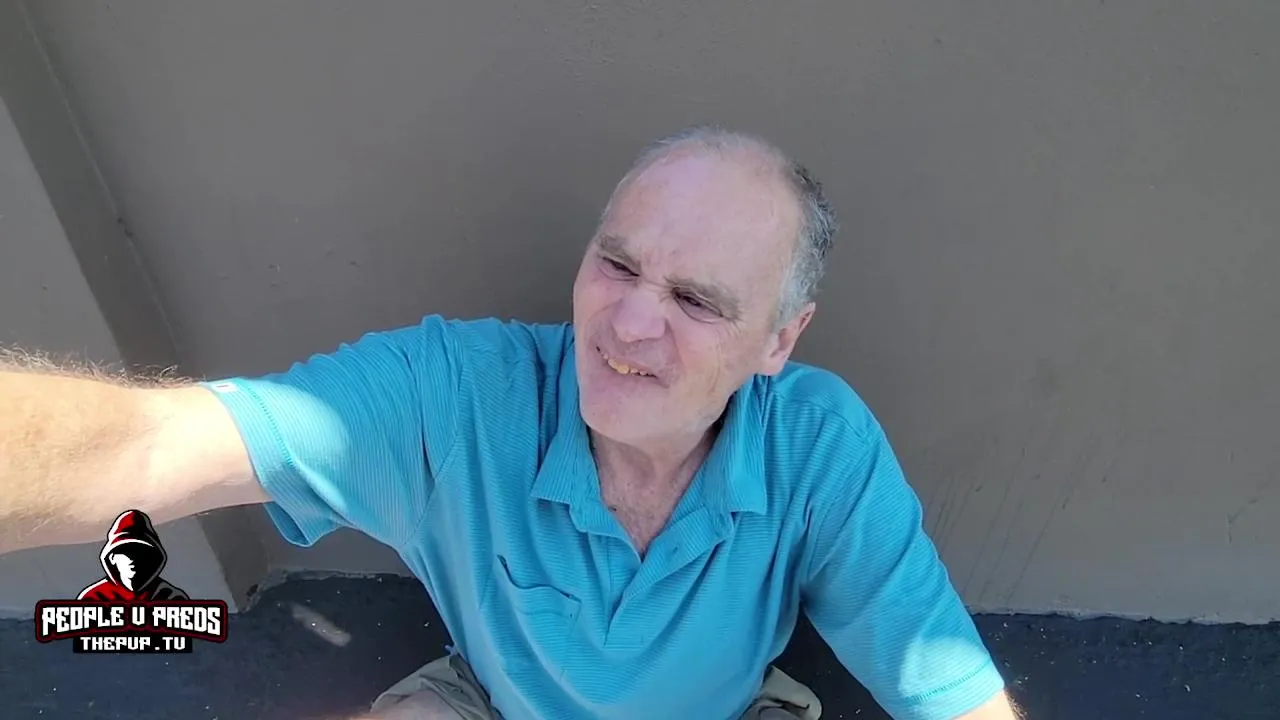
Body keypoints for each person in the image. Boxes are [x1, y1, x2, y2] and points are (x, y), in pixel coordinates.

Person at [0, 126, 1020, 719]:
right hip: (490, 702)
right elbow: (148, 445)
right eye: (616, 264)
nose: (627, 324)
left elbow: (949, 689)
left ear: (778, 340)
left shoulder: (819, 446)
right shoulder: (455, 394)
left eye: (695, 301)